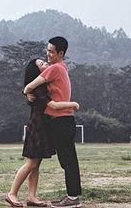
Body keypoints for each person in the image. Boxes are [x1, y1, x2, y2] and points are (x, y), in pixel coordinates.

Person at [6, 59, 79, 208]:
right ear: (36, 72)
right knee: (31, 163)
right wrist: (73, 104)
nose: (46, 64)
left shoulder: (42, 85)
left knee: (36, 164)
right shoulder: (39, 89)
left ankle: (32, 196)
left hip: (43, 126)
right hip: (37, 126)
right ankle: (12, 193)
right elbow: (53, 105)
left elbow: (28, 88)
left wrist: (25, 91)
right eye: (41, 64)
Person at [24, 36, 82, 208]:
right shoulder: (63, 68)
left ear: (61, 53)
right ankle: (72, 195)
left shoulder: (54, 68)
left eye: (51, 51)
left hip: (60, 120)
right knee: (68, 159)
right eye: (47, 50)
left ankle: (72, 198)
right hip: (63, 120)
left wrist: (26, 91)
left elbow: (29, 86)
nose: (48, 54)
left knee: (68, 160)